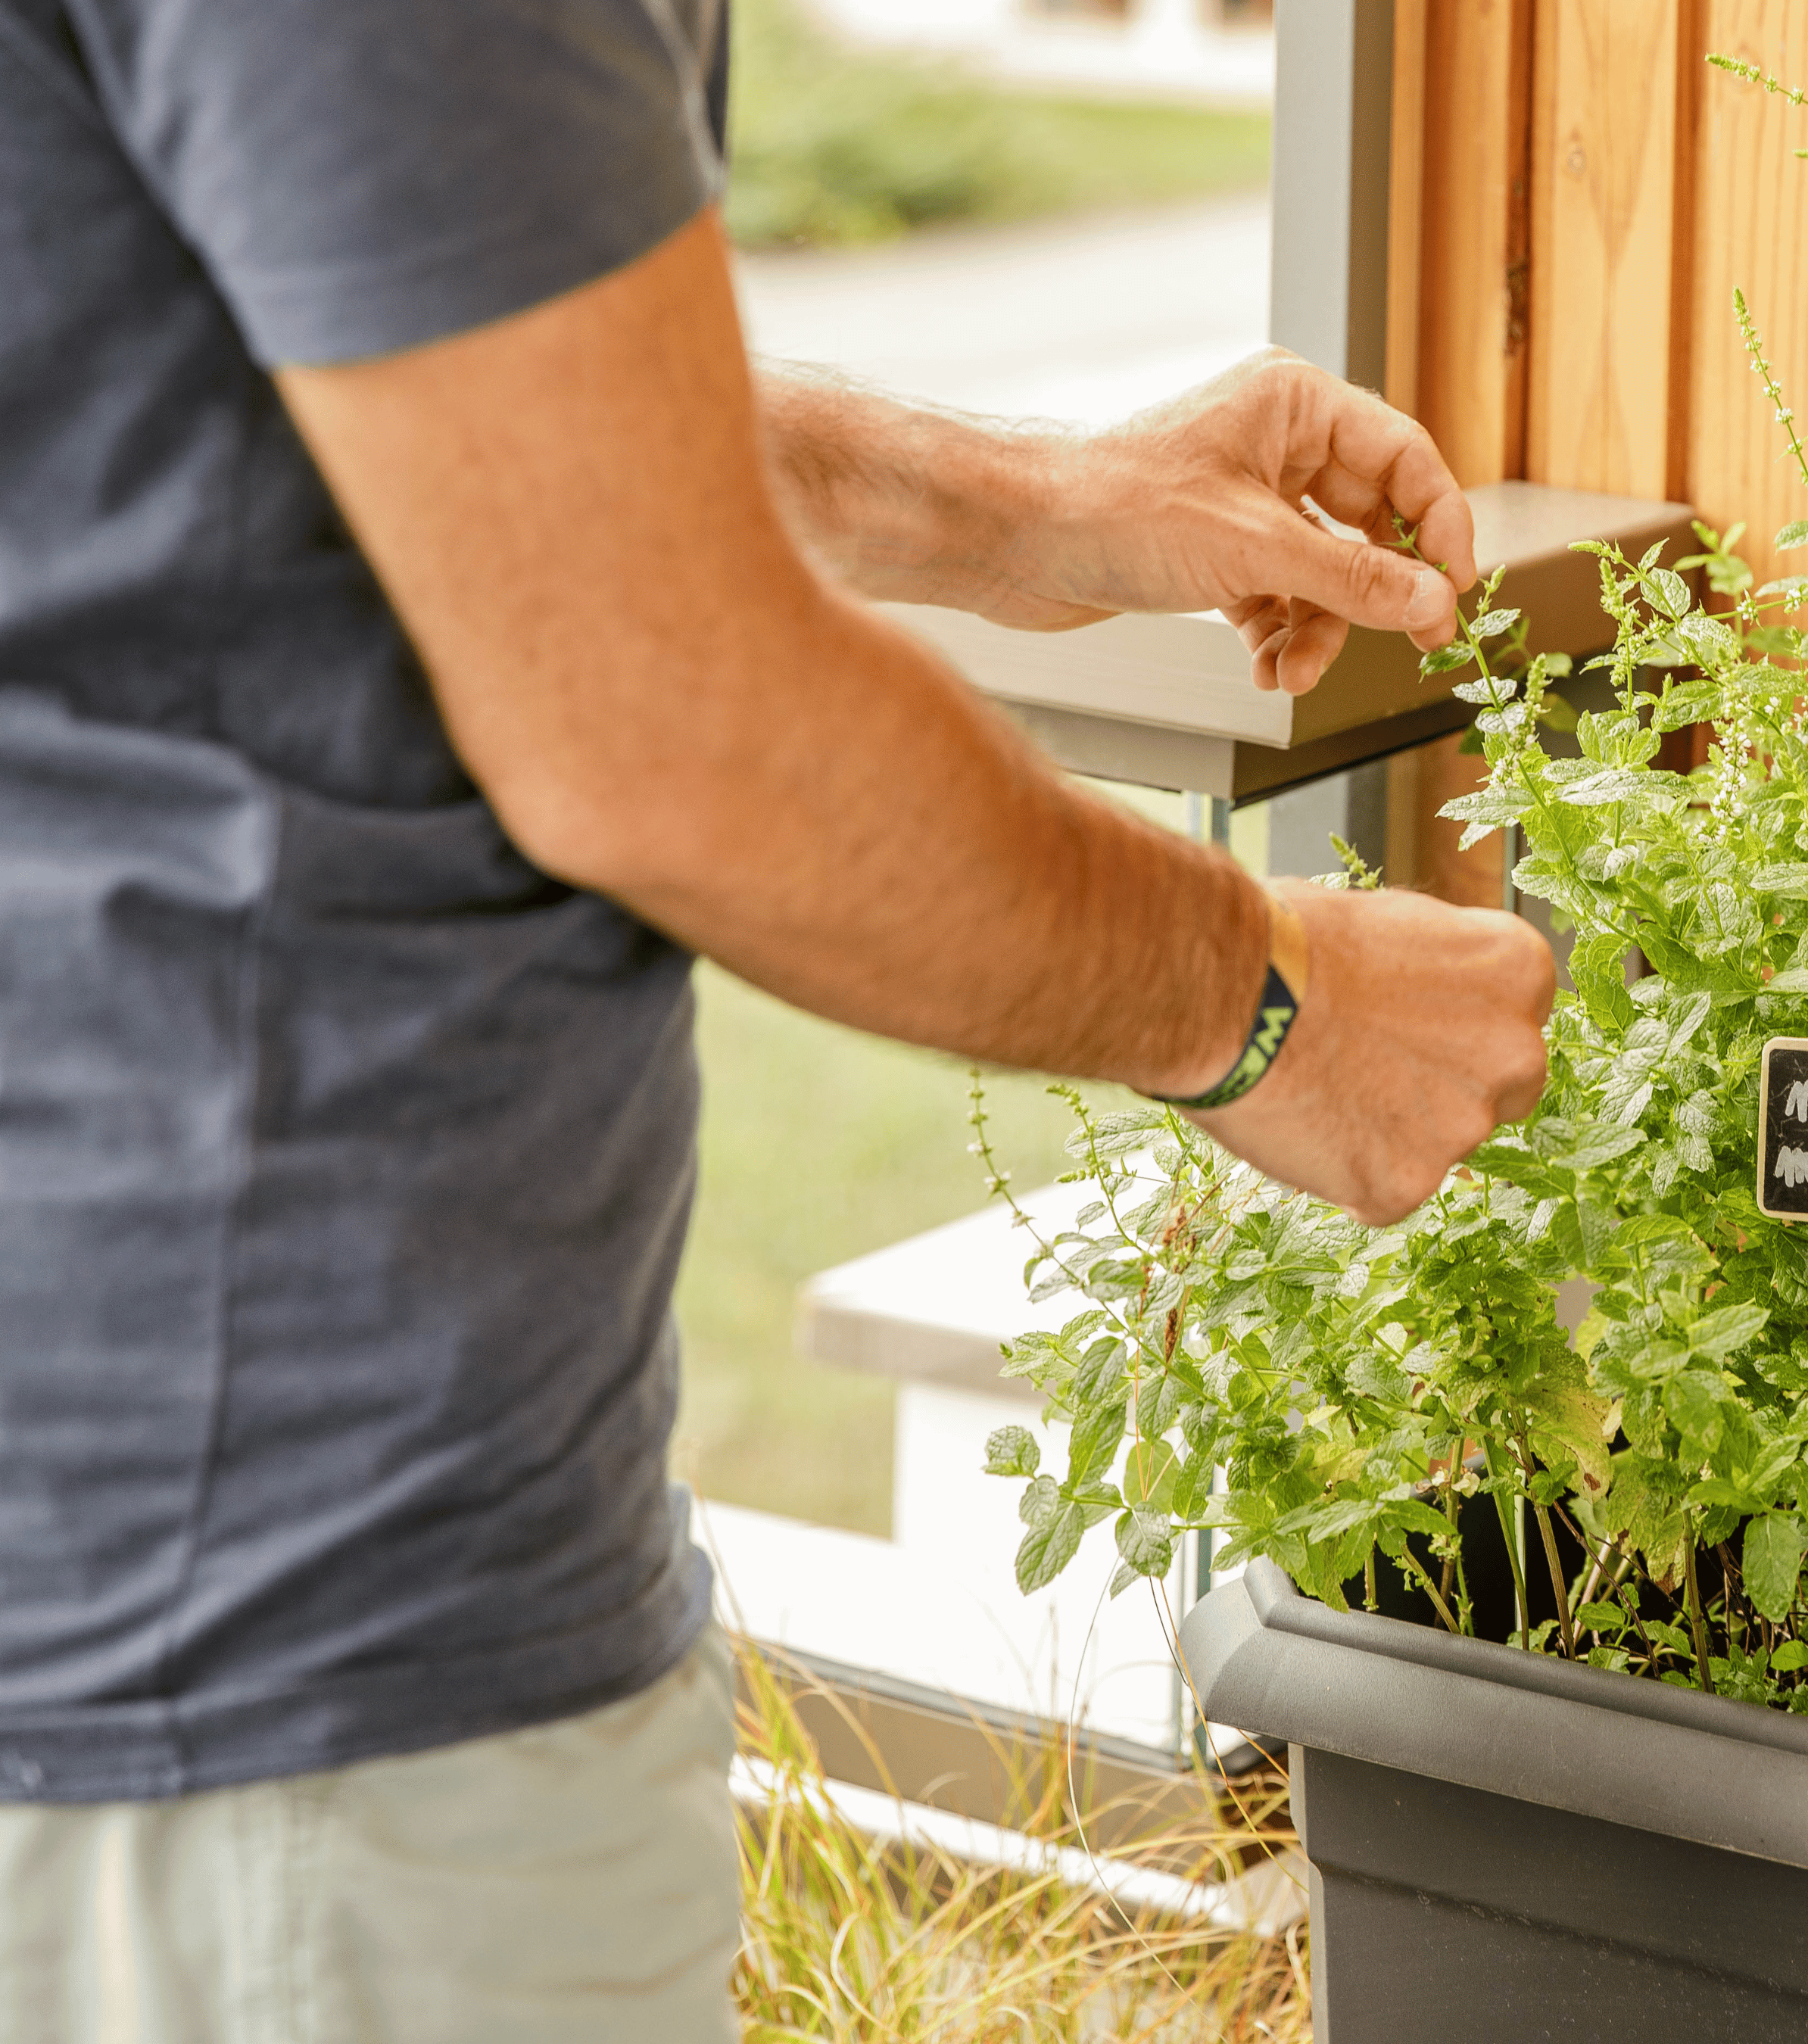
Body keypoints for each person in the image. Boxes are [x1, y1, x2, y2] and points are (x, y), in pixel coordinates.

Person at [0, 3, 1554, 2036]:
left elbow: (440, 394)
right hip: (273, 1701)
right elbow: (662, 719)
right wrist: (1265, 1005)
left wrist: (1026, 501)